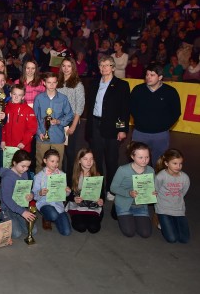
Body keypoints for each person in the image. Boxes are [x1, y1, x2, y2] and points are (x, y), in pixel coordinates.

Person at [86, 55, 130, 205]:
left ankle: (112, 189)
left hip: (112, 128)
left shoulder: (122, 85)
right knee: (96, 161)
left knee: (111, 161)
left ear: (113, 67)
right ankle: (99, 188)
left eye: (107, 65)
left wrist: (122, 129)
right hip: (95, 125)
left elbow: (124, 110)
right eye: (101, 65)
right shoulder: (93, 84)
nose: (104, 68)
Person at [130, 63, 181, 164]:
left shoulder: (170, 92)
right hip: (140, 133)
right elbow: (131, 108)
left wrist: (164, 126)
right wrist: (140, 122)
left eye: (152, 75)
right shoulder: (138, 90)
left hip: (161, 135)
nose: (148, 77)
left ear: (160, 77)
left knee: (159, 163)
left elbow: (176, 112)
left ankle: (157, 180)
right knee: (138, 163)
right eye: (147, 75)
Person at [110, 142, 155, 238]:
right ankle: (116, 209)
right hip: (124, 204)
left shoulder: (151, 170)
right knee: (129, 232)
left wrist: (154, 193)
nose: (144, 160)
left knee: (145, 233)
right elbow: (113, 188)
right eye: (141, 157)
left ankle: (130, 217)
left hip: (141, 205)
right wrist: (128, 193)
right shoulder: (123, 170)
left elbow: (152, 187)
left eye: (147, 157)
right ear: (132, 156)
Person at [33, 72, 73, 173]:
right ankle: (39, 188)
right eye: (49, 82)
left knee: (57, 165)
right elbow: (34, 118)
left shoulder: (63, 98)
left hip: (58, 136)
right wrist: (39, 133)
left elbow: (69, 115)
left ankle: (56, 188)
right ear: (44, 83)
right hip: (42, 136)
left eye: (54, 82)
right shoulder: (38, 98)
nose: (51, 85)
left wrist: (59, 121)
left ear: (57, 83)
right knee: (40, 164)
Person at [57, 57, 85, 183]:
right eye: (64, 66)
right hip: (57, 122)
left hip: (71, 122)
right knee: (59, 153)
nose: (66, 68)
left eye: (69, 66)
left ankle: (70, 182)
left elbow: (80, 106)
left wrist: (73, 125)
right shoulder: (57, 82)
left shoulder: (77, 84)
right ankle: (58, 181)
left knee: (70, 153)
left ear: (73, 68)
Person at [32, 149, 72, 236]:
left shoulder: (61, 175)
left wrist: (67, 191)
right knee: (53, 215)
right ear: (45, 160)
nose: (55, 164)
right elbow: (34, 195)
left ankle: (55, 217)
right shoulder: (39, 176)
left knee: (66, 232)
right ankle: (47, 217)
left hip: (58, 205)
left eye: (57, 161)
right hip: (44, 203)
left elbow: (64, 195)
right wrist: (40, 193)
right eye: (52, 161)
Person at [154, 149, 190, 244]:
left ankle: (171, 220)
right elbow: (155, 190)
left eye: (180, 164)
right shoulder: (160, 176)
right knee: (172, 239)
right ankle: (159, 218)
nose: (178, 166)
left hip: (178, 209)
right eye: (175, 163)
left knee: (184, 239)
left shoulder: (185, 178)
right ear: (166, 163)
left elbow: (183, 192)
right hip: (163, 209)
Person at [0, 150, 36, 239]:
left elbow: (27, 189)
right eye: (23, 166)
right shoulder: (8, 178)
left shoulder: (24, 173)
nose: (25, 169)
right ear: (14, 163)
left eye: (27, 166)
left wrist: (31, 195)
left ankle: (14, 218)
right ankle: (1, 218)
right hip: (7, 207)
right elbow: (6, 199)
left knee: (33, 230)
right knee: (16, 233)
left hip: (20, 205)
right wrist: (22, 212)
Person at [67, 148, 104, 234]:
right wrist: (73, 198)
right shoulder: (73, 174)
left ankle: (92, 217)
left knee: (94, 228)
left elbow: (102, 192)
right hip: (77, 205)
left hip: (93, 205)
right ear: (79, 161)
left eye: (91, 159)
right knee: (81, 227)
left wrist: (101, 200)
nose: (89, 162)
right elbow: (67, 194)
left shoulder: (97, 174)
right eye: (85, 159)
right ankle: (79, 217)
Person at [1, 84, 37, 167]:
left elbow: (32, 129)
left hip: (22, 147)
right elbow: (3, 126)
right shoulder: (5, 108)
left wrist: (24, 142)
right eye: (14, 94)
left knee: (22, 171)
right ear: (10, 94)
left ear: (23, 97)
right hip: (8, 147)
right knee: (8, 170)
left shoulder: (28, 110)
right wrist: (3, 140)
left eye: (19, 95)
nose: (16, 97)